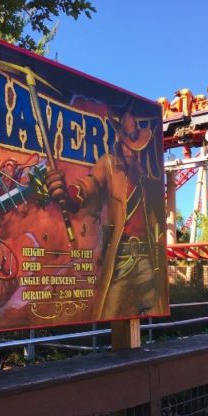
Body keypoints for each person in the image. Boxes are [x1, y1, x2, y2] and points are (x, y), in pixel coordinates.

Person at [47, 109, 165, 320]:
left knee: (155, 308)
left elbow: (150, 217)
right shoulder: (109, 164)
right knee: (111, 310)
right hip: (121, 256)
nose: (133, 152)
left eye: (137, 148)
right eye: (130, 148)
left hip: (145, 256)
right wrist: (70, 193)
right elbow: (90, 183)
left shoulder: (141, 174)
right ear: (121, 144)